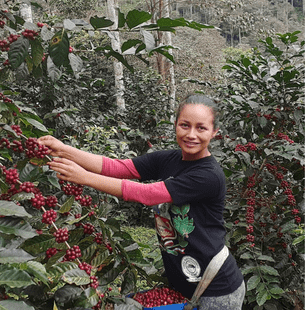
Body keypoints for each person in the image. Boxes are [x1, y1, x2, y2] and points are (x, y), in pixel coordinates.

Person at [38, 95, 244, 310]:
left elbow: (146, 194)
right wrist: (63, 149)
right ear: (175, 125)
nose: (191, 134)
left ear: (214, 132)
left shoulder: (208, 175)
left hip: (218, 290)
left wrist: (82, 177)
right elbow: (117, 167)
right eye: (185, 125)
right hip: (185, 284)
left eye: (201, 128)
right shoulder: (168, 160)